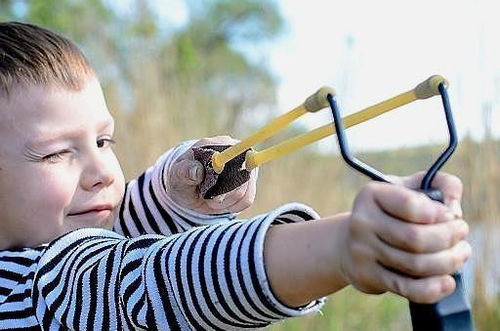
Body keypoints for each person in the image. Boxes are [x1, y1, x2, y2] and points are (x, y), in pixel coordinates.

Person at [0, 21, 471, 330]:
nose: (102, 171)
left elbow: (123, 232)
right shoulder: (38, 290)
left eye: (105, 141)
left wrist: (178, 188)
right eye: (56, 154)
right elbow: (151, 278)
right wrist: (340, 247)